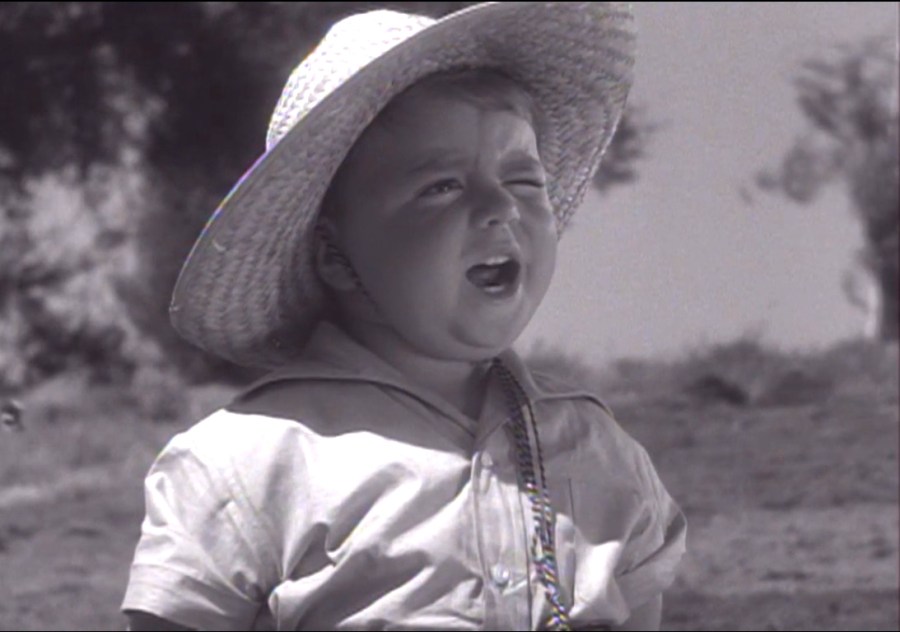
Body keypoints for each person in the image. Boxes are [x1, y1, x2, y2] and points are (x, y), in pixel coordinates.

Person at [122, 3, 686, 631]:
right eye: (441, 186)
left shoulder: (601, 452)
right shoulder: (247, 463)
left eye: (524, 182)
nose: (500, 207)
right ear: (333, 254)